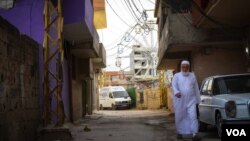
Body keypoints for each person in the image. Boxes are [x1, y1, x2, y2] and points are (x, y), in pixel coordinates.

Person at [171, 60, 201, 141]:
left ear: (189, 67)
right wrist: (176, 92)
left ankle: (195, 134)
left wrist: (198, 100)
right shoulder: (177, 76)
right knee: (179, 117)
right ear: (181, 67)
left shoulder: (192, 76)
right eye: (183, 67)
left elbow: (196, 89)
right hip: (180, 101)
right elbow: (173, 85)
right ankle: (179, 132)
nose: (185, 68)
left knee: (193, 116)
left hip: (191, 101)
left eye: (186, 67)